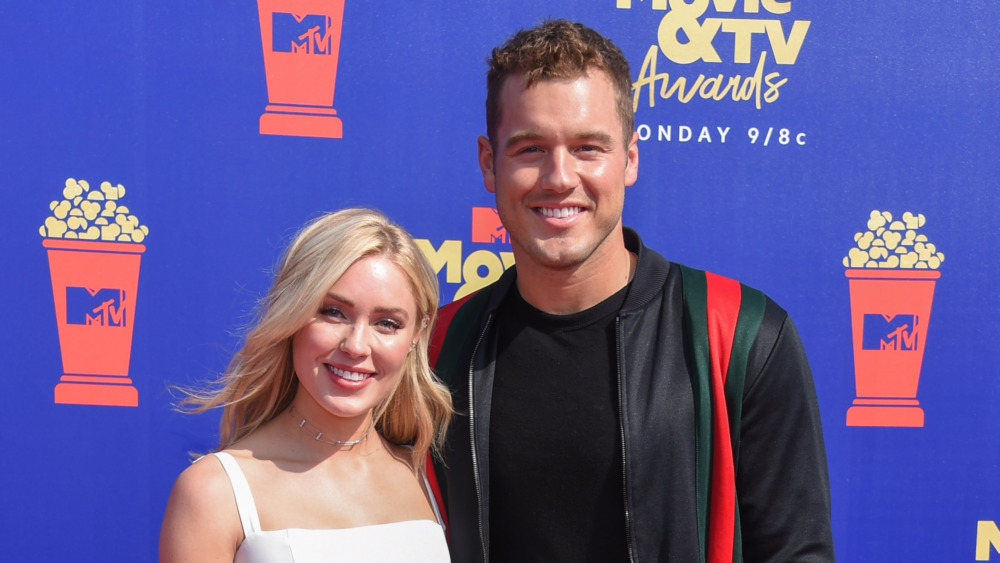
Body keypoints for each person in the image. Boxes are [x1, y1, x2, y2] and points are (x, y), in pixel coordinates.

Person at [429, 19, 835, 562]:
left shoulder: (740, 334)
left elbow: (796, 553)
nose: (559, 177)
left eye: (587, 148)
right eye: (530, 149)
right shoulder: (438, 348)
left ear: (631, 159)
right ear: (488, 162)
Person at [160, 208, 453, 562]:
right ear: (293, 315)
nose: (356, 345)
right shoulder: (214, 491)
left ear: (416, 334)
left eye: (387, 323)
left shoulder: (435, 478)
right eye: (333, 312)